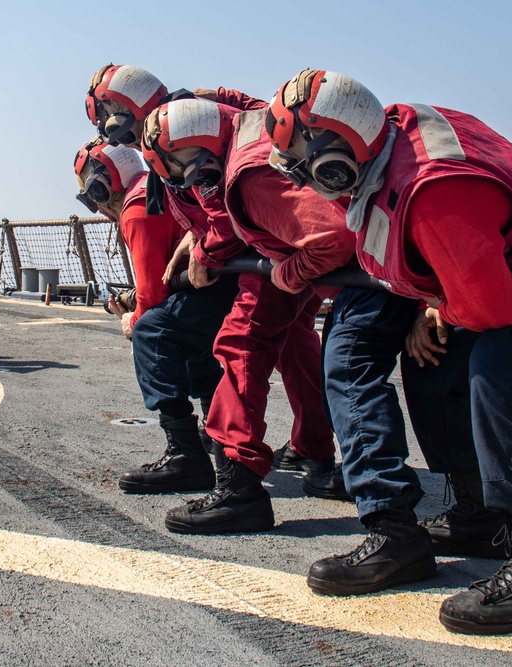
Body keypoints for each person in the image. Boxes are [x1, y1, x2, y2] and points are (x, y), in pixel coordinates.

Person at [264, 69, 512, 634]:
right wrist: (437, 303)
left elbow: (493, 310)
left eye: (302, 160)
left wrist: (445, 306)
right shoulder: (388, 139)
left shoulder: (433, 190)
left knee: (500, 373)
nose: (302, 176)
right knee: (436, 360)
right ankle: (477, 515)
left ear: (337, 150)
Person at [86, 64, 346, 495]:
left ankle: (230, 475)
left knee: (229, 343)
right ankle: (312, 449)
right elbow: (263, 118)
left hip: (264, 251)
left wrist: (204, 247)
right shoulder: (205, 111)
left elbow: (222, 203)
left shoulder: (177, 139)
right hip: (279, 247)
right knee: (294, 343)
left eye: (107, 116)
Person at [141, 98, 358, 534]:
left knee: (240, 343)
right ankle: (317, 456)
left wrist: (287, 275)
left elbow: (333, 238)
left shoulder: (248, 179)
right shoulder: (244, 129)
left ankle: (239, 489)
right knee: (305, 350)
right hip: (351, 265)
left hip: (354, 271)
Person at [74, 137, 239, 494]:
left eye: (92, 196)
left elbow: (151, 295)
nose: (97, 206)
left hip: (213, 286)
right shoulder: (152, 187)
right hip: (227, 283)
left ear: (102, 187)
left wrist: (130, 321)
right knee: (189, 336)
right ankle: (214, 431)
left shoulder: (135, 208)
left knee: (151, 332)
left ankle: (184, 456)